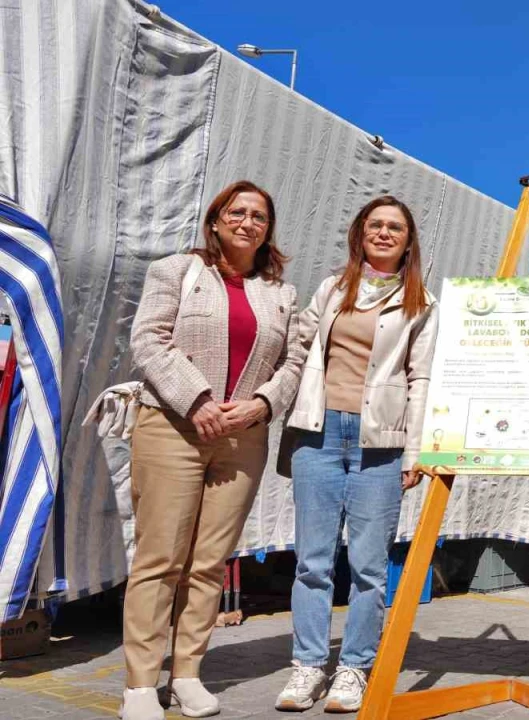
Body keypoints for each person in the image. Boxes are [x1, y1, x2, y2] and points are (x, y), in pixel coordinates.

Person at [122, 181, 303, 720]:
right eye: (238, 212)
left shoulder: (281, 294)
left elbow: (294, 363)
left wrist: (262, 405)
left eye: (260, 217)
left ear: (268, 230)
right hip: (173, 426)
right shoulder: (176, 271)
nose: (248, 222)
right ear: (217, 220)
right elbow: (148, 339)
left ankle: (187, 674)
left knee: (209, 563)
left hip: (242, 436)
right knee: (161, 558)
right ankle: (138, 683)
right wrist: (196, 398)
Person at [274, 195, 438, 713]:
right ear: (360, 233)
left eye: (395, 227)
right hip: (318, 435)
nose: (385, 233)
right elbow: (298, 349)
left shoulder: (422, 303)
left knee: (368, 567)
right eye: (376, 225)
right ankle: (307, 666)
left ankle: (354, 669)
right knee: (312, 563)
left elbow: (421, 378)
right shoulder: (331, 288)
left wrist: (415, 453)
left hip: (381, 445)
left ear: (408, 241)